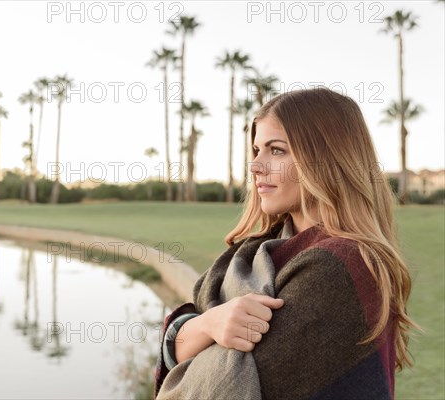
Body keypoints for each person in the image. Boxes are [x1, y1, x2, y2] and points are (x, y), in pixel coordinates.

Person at [153, 87, 418, 400]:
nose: (255, 165)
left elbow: (228, 381)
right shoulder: (253, 252)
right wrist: (207, 324)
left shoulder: (342, 265)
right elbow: (201, 353)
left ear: (326, 159)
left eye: (276, 150)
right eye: (256, 150)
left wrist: (184, 333)